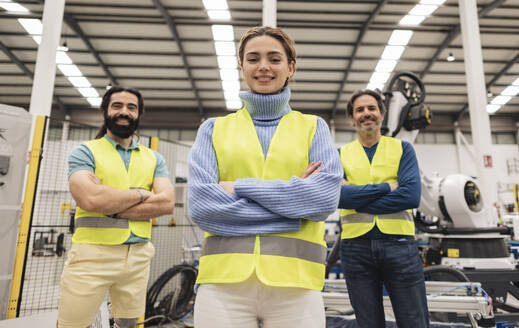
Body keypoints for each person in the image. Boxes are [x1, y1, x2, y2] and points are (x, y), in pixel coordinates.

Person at [188, 26, 342, 328]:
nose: (263, 67)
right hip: (222, 285)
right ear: (242, 66)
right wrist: (293, 209)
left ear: (290, 67)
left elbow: (323, 199)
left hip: (296, 287)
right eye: (253, 58)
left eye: (274, 58)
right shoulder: (212, 129)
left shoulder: (314, 128)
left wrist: (239, 187)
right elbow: (203, 207)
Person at [58, 86, 175, 328]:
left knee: (128, 325)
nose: (124, 112)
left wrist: (112, 205)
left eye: (131, 107)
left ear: (139, 114)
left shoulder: (154, 158)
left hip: (138, 256)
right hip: (92, 255)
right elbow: (90, 200)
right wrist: (142, 193)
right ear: (104, 112)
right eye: (117, 106)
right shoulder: (85, 152)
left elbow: (167, 203)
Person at [338, 89, 429, 327]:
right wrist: (387, 188)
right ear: (352, 118)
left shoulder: (403, 149)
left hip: (399, 245)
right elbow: (338, 198)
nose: (366, 113)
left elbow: (410, 196)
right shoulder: (339, 155)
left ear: (382, 114)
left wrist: (356, 197)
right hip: (355, 248)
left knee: (414, 321)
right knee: (368, 323)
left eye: (371, 108)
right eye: (359, 110)